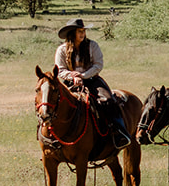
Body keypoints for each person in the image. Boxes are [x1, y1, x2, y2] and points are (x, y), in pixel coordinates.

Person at [55, 18, 132, 148]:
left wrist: (83, 75)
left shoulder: (92, 46)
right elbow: (60, 69)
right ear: (72, 33)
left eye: (83, 31)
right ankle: (51, 139)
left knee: (108, 100)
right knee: (52, 103)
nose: (82, 34)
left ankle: (118, 132)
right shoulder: (62, 50)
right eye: (79, 31)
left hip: (92, 80)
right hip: (70, 82)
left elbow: (98, 65)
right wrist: (72, 76)